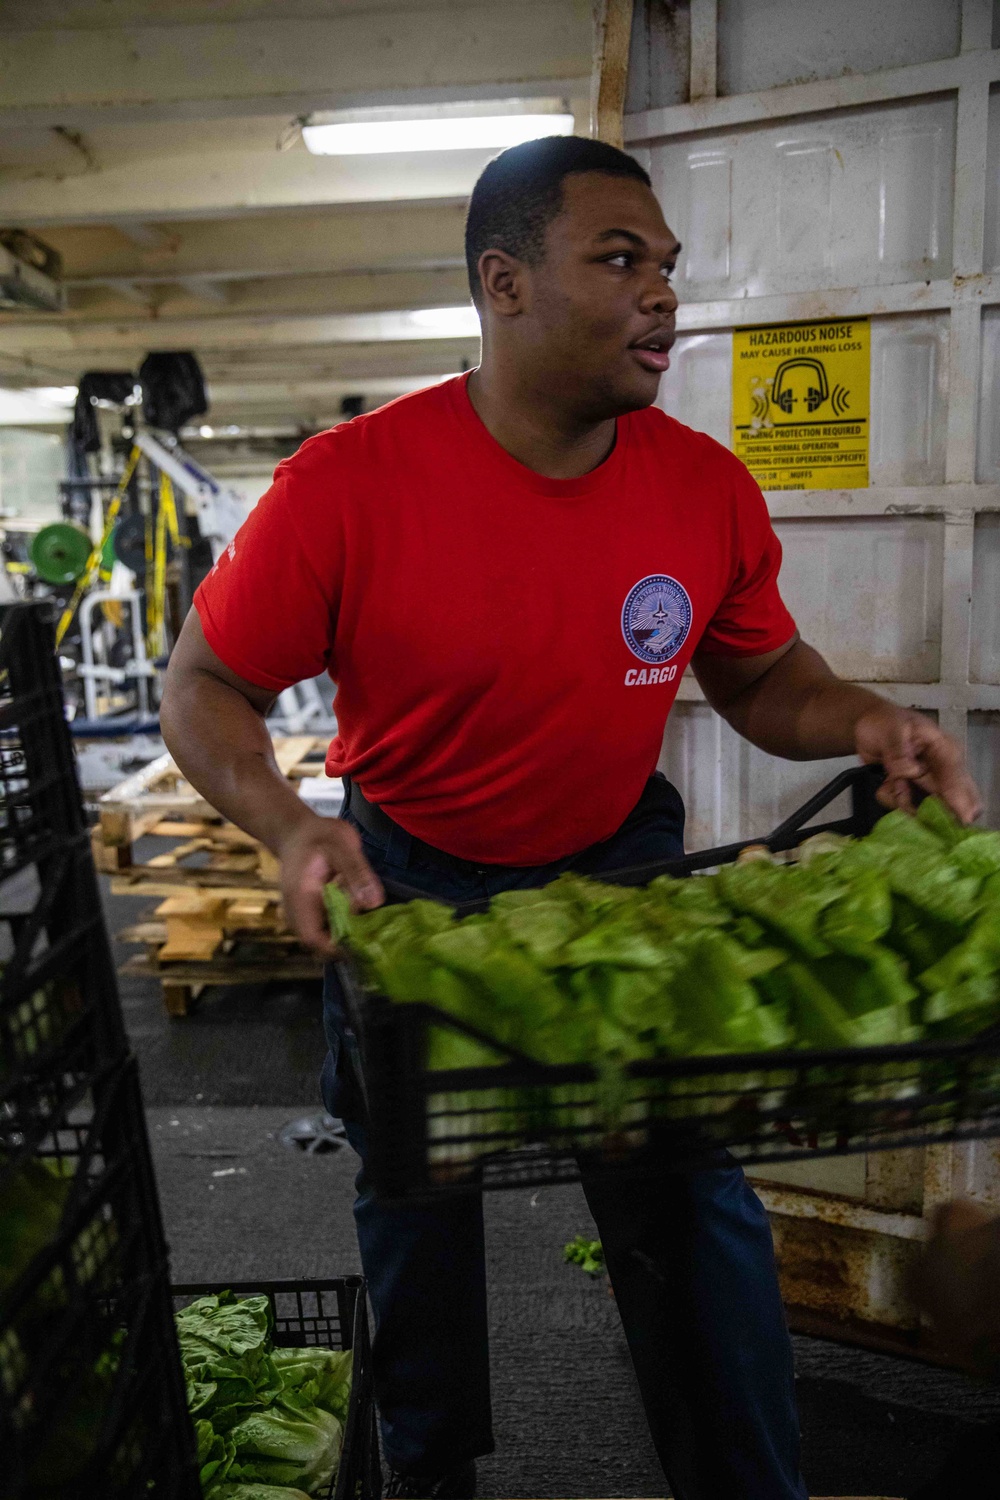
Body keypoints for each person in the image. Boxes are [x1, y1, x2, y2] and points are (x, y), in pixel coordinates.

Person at [160, 135, 982, 1500]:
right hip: (405, 883)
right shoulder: (347, 484)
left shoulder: (701, 486)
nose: (663, 294)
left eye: (667, 266)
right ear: (505, 283)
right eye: (618, 259)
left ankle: (744, 1481)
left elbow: (763, 675)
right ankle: (431, 1471)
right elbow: (204, 687)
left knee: (686, 1192)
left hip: (618, 875)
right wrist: (289, 827)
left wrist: (863, 721)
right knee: (419, 1202)